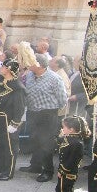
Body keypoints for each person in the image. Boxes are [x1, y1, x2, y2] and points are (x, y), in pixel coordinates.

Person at [19, 53, 67, 182]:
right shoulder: (29, 75)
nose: (28, 65)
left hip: (48, 113)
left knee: (46, 143)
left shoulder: (54, 78)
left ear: (39, 65)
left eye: (31, 62)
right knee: (34, 139)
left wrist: (53, 110)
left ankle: (48, 170)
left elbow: (63, 99)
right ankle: (35, 165)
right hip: (32, 112)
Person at [0, 59, 26, 181]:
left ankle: (8, 172)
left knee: (10, 147)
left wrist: (15, 123)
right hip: (0, 117)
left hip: (9, 120)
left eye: (3, 66)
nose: (1, 67)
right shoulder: (3, 82)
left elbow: (20, 107)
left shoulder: (18, 87)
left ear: (9, 69)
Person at [49, 115, 90, 192]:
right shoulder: (70, 137)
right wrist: (60, 136)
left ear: (71, 129)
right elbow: (60, 142)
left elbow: (72, 161)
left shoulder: (77, 143)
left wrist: (62, 171)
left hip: (67, 172)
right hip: (65, 170)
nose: (62, 129)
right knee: (66, 191)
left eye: (64, 127)